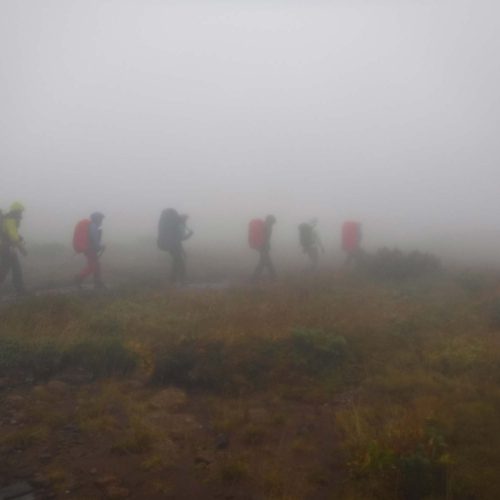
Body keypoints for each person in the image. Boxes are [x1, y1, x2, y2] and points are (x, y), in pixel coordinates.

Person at [157, 209, 193, 285]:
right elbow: (179, 238)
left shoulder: (173, 224)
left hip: (169, 244)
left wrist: (182, 250)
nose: (186, 221)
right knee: (180, 261)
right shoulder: (178, 225)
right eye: (185, 219)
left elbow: (178, 239)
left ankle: (173, 279)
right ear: (182, 218)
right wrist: (190, 235)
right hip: (173, 244)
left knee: (176, 261)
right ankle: (182, 280)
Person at [0, 202, 28, 295]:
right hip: (7, 248)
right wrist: (22, 249)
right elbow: (13, 237)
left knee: (13, 269)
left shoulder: (8, 219)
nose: (21, 214)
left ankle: (19, 289)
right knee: (10, 269)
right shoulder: (11, 220)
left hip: (6, 248)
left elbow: (11, 234)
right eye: (20, 212)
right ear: (16, 211)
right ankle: (20, 289)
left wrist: (19, 237)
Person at [75, 212, 106, 289]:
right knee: (92, 266)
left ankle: (98, 283)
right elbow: (94, 239)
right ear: (97, 219)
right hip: (90, 249)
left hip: (89, 248)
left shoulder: (91, 225)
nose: (101, 221)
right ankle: (79, 278)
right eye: (101, 219)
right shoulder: (93, 226)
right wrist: (101, 246)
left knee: (96, 265)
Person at [253, 215, 277, 282]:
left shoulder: (264, 226)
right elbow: (266, 238)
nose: (274, 223)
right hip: (264, 247)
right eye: (273, 221)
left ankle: (273, 276)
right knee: (263, 262)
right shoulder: (267, 227)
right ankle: (254, 278)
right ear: (270, 221)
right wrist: (266, 246)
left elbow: (265, 238)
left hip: (262, 246)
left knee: (265, 261)